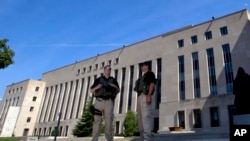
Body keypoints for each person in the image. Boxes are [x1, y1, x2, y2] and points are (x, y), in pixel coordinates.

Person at [90, 65, 120, 141]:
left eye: (110, 69)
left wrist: (114, 86)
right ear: (104, 70)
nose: (108, 71)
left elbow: (118, 90)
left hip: (109, 102)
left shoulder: (113, 80)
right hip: (99, 102)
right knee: (97, 120)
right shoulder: (98, 79)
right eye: (107, 69)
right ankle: (94, 139)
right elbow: (91, 90)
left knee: (109, 121)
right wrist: (97, 87)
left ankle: (109, 139)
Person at [134, 61, 156, 141]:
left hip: (145, 96)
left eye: (143, 65)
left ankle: (147, 138)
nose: (141, 67)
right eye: (141, 66)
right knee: (140, 118)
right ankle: (142, 137)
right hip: (140, 96)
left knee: (146, 117)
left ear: (147, 66)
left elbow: (152, 84)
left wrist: (149, 96)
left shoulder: (150, 74)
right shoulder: (141, 77)